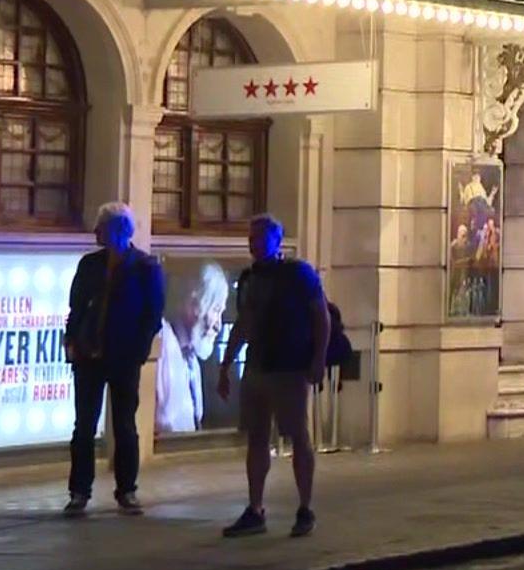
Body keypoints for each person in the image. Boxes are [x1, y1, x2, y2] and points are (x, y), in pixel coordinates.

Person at [218, 215, 329, 539]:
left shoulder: (298, 274)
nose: (252, 244)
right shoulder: (250, 278)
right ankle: (255, 508)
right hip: (258, 366)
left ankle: (305, 507)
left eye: (259, 238)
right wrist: (226, 365)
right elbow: (244, 323)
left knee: (297, 435)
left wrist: (318, 358)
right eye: (250, 238)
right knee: (256, 437)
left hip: (290, 367)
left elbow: (320, 316)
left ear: (276, 241)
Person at [64, 203, 165, 517]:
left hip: (123, 358)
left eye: (101, 226)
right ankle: (80, 491)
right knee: (84, 426)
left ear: (119, 230)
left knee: (124, 425)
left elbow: (152, 315)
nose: (95, 232)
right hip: (88, 356)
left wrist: (137, 351)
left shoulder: (145, 268)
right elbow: (76, 306)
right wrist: (72, 341)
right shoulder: (89, 265)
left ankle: (127, 490)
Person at [157, 262, 231, 434]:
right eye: (216, 310)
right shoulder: (160, 346)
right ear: (192, 304)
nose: (218, 326)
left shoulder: (192, 360)